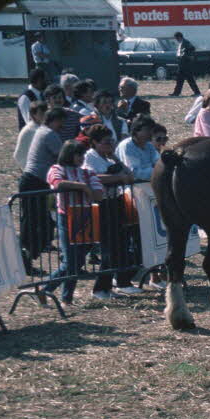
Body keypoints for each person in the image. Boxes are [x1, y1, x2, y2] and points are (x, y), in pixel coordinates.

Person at [81, 125, 139, 299]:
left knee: (120, 245)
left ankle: (121, 282)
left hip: (116, 202)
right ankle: (100, 288)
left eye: (112, 142)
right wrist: (118, 178)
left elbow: (128, 173)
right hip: (102, 205)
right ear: (94, 142)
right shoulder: (90, 157)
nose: (110, 145)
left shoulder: (109, 157)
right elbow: (92, 177)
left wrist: (115, 157)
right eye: (106, 142)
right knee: (109, 248)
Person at [45, 140, 104, 304]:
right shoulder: (56, 169)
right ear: (69, 154)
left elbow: (99, 194)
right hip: (67, 217)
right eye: (78, 154)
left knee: (77, 262)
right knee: (71, 261)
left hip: (86, 217)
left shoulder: (87, 171)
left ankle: (54, 293)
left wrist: (84, 188)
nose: (81, 157)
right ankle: (56, 294)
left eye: (83, 154)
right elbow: (58, 183)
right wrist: (84, 188)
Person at [19, 106, 68, 269]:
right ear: (54, 120)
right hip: (35, 182)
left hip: (35, 181)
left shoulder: (43, 131)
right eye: (61, 121)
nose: (63, 125)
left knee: (37, 221)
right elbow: (64, 157)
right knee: (36, 222)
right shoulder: (49, 134)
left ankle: (27, 255)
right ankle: (25, 255)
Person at [15, 101, 49, 173]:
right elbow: (19, 155)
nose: (44, 116)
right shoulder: (30, 130)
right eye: (41, 114)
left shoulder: (43, 127)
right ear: (33, 115)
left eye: (46, 113)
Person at [171, 31, 201, 97]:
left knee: (189, 79)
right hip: (182, 63)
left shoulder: (186, 42)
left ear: (179, 37)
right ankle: (176, 93)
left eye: (176, 38)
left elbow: (192, 48)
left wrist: (186, 55)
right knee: (180, 79)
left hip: (186, 64)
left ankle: (197, 92)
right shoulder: (181, 43)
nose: (176, 40)